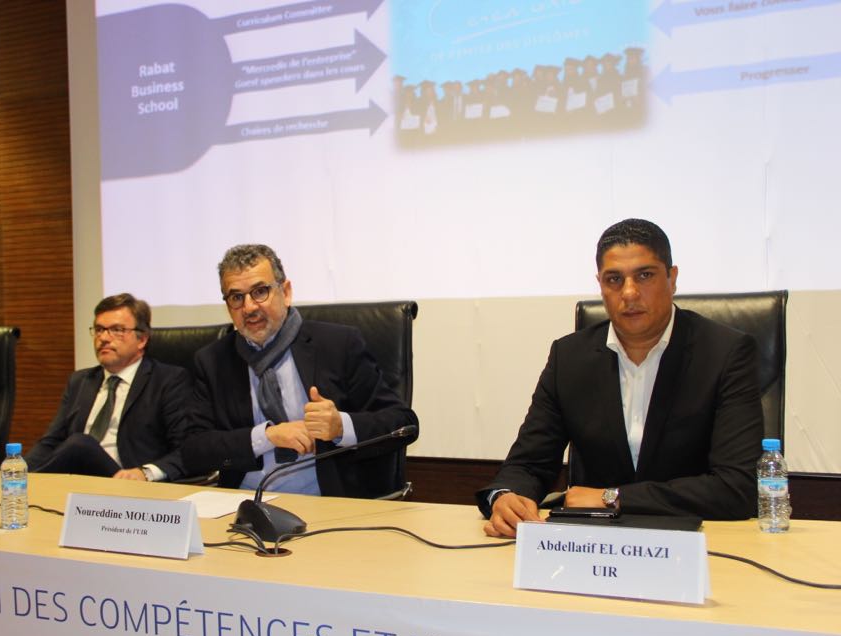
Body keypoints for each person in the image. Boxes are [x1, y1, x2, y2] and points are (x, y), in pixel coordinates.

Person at [477, 219, 762, 537]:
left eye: (645, 275)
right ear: (600, 284)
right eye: (614, 279)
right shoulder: (569, 358)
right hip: (593, 543)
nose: (629, 292)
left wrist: (612, 498)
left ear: (672, 278)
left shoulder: (724, 353)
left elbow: (738, 487)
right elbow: (528, 464)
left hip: (701, 542)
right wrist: (506, 496)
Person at [173, 244, 418, 498]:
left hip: (326, 502)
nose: (249, 307)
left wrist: (340, 426)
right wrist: (267, 436)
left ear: (286, 292)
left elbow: (404, 423)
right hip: (245, 503)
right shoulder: (213, 361)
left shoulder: (337, 346)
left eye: (260, 292)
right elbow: (192, 450)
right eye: (236, 297)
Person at [26, 293, 191, 480]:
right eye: (99, 329)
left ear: (142, 340)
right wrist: (16, 472)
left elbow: (186, 449)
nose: (104, 338)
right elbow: (50, 442)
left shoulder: (168, 381)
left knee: (80, 444)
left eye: (117, 330)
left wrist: (145, 473)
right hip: (77, 482)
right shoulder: (80, 381)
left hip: (127, 481)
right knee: (76, 446)